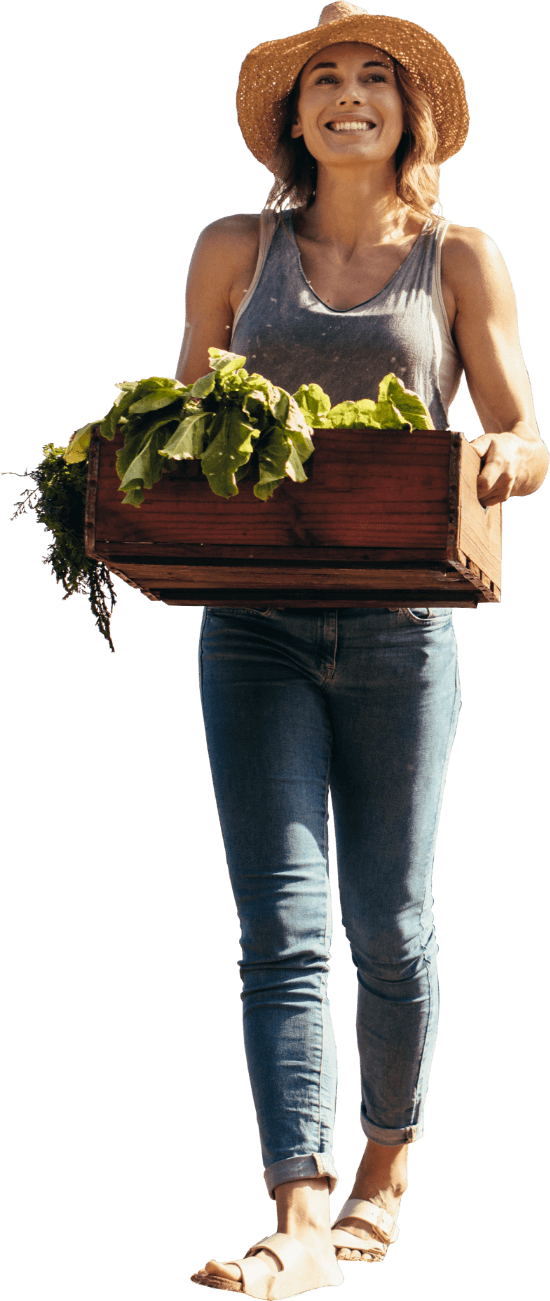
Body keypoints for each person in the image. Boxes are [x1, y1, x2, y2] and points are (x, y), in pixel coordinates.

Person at [185, 5, 547, 1297]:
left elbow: (523, 427)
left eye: (372, 82)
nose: (347, 97)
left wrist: (500, 457)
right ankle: (297, 1207)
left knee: (389, 926)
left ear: (408, 117)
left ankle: (384, 1177)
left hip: (402, 626)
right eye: (324, 81)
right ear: (292, 118)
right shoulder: (235, 247)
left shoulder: (457, 259)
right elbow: (185, 407)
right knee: (279, 928)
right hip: (254, 627)